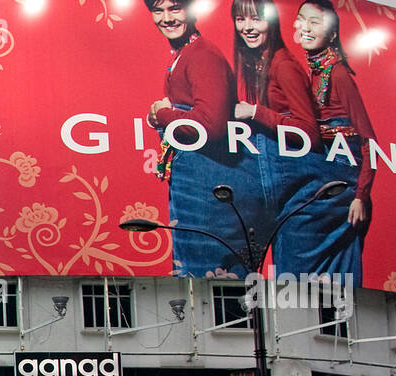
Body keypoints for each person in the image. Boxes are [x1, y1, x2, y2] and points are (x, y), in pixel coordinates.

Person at [277, 0, 375, 281]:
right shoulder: (313, 70)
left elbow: (369, 141)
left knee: (292, 230)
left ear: (332, 35)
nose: (305, 28)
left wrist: (360, 197)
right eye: (301, 20)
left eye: (315, 23)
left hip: (341, 179)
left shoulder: (339, 74)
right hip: (322, 170)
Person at [145, 0, 243, 277]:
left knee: (202, 272)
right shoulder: (184, 53)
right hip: (194, 177)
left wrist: (164, 114)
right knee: (191, 267)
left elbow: (210, 126)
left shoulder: (202, 54)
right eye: (158, 10)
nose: (166, 18)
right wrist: (160, 114)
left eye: (175, 8)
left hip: (206, 179)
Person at [229, 0, 320, 275]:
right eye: (241, 19)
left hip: (299, 181)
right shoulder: (256, 62)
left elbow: (309, 134)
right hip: (278, 174)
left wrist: (255, 112)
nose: (248, 27)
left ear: (272, 22)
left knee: (292, 276)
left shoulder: (283, 66)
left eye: (256, 19)